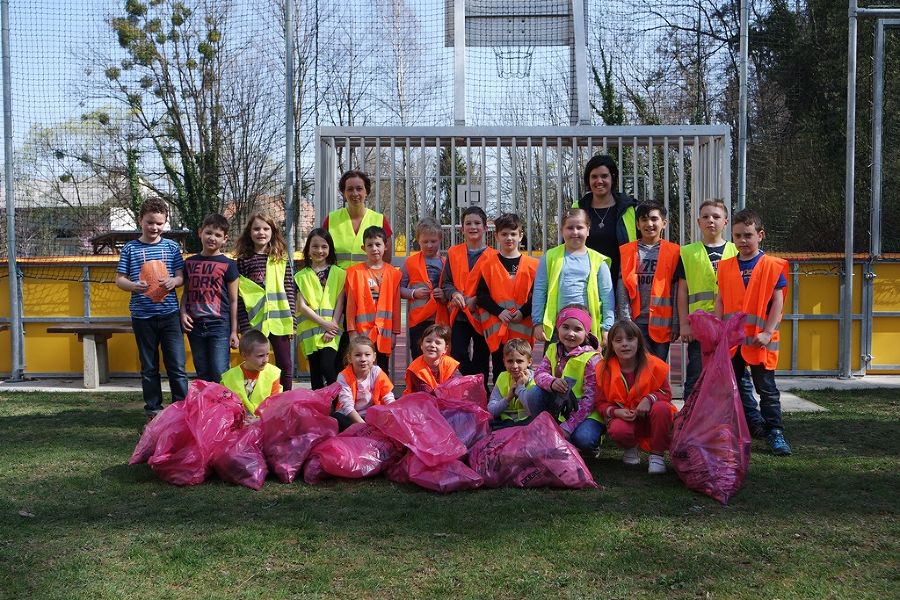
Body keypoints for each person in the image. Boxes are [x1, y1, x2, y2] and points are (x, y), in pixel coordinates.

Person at [716, 208, 792, 455]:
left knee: (766, 389)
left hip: (760, 341)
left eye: (748, 235)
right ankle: (734, 429)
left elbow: (778, 301)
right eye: (738, 236)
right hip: (733, 341)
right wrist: (718, 328)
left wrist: (768, 333)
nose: (743, 241)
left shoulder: (772, 265)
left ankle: (775, 432)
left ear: (761, 235)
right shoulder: (726, 266)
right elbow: (721, 299)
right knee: (731, 387)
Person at [115, 197, 189, 421]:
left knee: (176, 365)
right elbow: (119, 279)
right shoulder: (130, 248)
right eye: (150, 222)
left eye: (159, 223)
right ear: (140, 221)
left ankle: (182, 410)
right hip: (142, 316)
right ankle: (153, 410)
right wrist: (134, 286)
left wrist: (174, 282)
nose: (154, 227)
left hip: (169, 316)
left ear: (165, 222)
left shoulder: (172, 247)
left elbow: (181, 276)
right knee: (149, 367)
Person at [677, 198, 746, 401]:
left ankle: (745, 419)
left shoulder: (737, 251)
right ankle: (688, 420)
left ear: (726, 222)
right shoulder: (688, 253)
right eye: (705, 217)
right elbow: (682, 291)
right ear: (698, 222)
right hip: (700, 326)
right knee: (696, 374)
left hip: (730, 326)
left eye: (716, 216)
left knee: (736, 376)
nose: (711, 221)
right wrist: (684, 324)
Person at [595, 319, 677, 475]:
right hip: (626, 420)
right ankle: (630, 448)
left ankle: (657, 455)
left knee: (662, 408)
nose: (624, 344)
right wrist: (616, 412)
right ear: (611, 345)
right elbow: (600, 403)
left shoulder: (654, 364)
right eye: (618, 340)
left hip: (651, 418)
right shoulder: (603, 369)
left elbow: (666, 393)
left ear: (639, 342)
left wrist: (649, 399)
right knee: (618, 429)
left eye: (630, 339)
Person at [524, 304, 604, 452]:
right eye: (565, 327)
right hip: (562, 408)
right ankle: (546, 431)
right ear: (558, 327)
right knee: (534, 392)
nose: (570, 333)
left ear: (587, 332)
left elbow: (590, 400)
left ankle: (588, 440)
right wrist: (552, 382)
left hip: (587, 413)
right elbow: (539, 373)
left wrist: (567, 428)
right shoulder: (553, 348)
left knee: (583, 439)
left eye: (577, 329)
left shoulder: (593, 359)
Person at [531, 208, 614, 348]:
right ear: (561, 230)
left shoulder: (598, 261)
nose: (575, 232)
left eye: (579, 227)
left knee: (589, 368)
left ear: (588, 230)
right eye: (570, 228)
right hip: (557, 330)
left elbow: (607, 296)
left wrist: (607, 328)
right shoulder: (550, 257)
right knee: (554, 368)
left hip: (589, 330)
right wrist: (538, 322)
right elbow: (539, 291)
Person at [234, 212, 296, 391]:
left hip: (279, 321)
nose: (261, 232)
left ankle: (286, 401)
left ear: (272, 231)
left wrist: (292, 320)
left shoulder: (281, 258)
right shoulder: (244, 260)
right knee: (255, 363)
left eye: (265, 228)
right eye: (256, 229)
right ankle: (255, 397)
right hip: (255, 322)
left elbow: (288, 288)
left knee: (285, 364)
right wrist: (244, 326)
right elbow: (241, 295)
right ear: (249, 232)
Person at [475, 213, 537, 385]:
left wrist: (523, 312)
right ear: (496, 236)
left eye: (513, 234)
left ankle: (523, 405)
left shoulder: (533, 265)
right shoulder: (487, 265)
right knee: (500, 372)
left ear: (520, 236)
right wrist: (499, 312)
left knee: (524, 372)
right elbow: (482, 296)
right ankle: (500, 406)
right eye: (504, 234)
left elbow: (538, 296)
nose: (509, 238)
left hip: (522, 329)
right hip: (498, 331)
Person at [618, 201, 684, 361]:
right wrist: (626, 321)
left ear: (664, 223)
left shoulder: (674, 251)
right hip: (636, 322)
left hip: (663, 323)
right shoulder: (627, 251)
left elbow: (676, 289)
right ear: (638, 225)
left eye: (654, 219)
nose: (649, 224)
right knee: (639, 367)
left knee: (658, 368)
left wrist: (676, 323)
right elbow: (623, 287)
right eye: (644, 219)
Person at [440, 206, 497, 388]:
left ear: (485, 228)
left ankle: (481, 393)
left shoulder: (494, 256)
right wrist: (454, 293)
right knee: (458, 355)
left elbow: (497, 288)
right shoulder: (453, 252)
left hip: (483, 317)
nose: (473, 227)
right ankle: (473, 386)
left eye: (477, 223)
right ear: (462, 228)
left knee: (482, 356)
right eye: (468, 223)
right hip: (460, 315)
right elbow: (446, 282)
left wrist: (478, 300)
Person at [180, 213, 239, 383]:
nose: (212, 238)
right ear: (200, 232)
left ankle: (224, 407)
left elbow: (234, 300)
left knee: (220, 371)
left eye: (218, 235)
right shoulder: (190, 263)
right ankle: (206, 407)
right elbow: (186, 293)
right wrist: (183, 313)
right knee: (202, 371)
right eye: (208, 233)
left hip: (219, 325)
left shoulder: (229, 265)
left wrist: (234, 331)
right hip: (195, 325)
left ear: (225, 239)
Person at [575, 154, 637, 289]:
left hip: (621, 282)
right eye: (594, 176)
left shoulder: (628, 209)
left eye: (604, 176)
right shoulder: (578, 208)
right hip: (584, 282)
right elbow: (567, 246)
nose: (599, 181)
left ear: (612, 178)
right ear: (588, 180)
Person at [345, 225, 401, 373]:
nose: (374, 248)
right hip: (362, 332)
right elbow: (350, 305)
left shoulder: (393, 274)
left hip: (384, 333)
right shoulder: (355, 273)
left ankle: (381, 396)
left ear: (386, 246)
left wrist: (395, 333)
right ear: (364, 248)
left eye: (378, 244)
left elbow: (396, 305)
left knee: (382, 370)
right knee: (361, 370)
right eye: (370, 245)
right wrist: (352, 332)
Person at [295, 228, 346, 390]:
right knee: (315, 373)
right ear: (308, 249)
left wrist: (333, 325)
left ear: (330, 248)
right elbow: (302, 306)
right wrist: (325, 324)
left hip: (332, 330)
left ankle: (339, 403)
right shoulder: (300, 276)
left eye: (324, 246)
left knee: (328, 367)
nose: (319, 250)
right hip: (311, 332)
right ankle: (319, 409)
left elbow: (340, 302)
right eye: (315, 246)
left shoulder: (339, 273)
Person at [399, 217, 448, 360]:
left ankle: (437, 382)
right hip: (418, 319)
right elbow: (399, 288)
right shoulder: (410, 262)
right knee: (418, 353)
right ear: (418, 241)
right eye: (425, 242)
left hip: (439, 318)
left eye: (433, 241)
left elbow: (451, 287)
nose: (429, 245)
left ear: (440, 239)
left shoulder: (445, 263)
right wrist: (413, 293)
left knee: (439, 355)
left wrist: (444, 294)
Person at [324, 170, 393, 268]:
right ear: (344, 193)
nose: (355, 193)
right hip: (337, 281)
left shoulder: (380, 220)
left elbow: (386, 259)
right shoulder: (331, 220)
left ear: (366, 192)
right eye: (350, 189)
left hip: (369, 281)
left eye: (359, 188)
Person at [333, 336, 396, 431]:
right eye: (358, 355)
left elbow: (388, 397)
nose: (363, 359)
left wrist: (397, 415)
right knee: (336, 418)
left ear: (374, 357)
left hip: (371, 415)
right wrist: (364, 427)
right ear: (349, 358)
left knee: (389, 419)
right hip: (351, 416)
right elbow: (347, 406)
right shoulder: (343, 376)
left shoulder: (377, 372)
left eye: (367, 354)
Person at [220, 329, 282, 416]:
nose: (265, 360)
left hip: (265, 422)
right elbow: (225, 407)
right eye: (260, 356)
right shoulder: (228, 377)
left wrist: (259, 420)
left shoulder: (273, 373)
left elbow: (275, 405)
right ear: (244, 356)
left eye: (267, 354)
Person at [487, 338, 535, 429]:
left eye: (519, 361)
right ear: (504, 362)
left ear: (529, 362)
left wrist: (520, 387)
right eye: (510, 361)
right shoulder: (502, 378)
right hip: (506, 422)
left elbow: (533, 410)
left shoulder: (535, 380)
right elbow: (491, 410)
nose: (514, 366)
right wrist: (508, 398)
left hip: (528, 423)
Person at [404, 324, 461, 394]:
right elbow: (423, 394)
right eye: (428, 341)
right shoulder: (415, 369)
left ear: (445, 349)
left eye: (438, 343)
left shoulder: (450, 364)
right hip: (421, 401)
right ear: (421, 345)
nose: (432, 345)